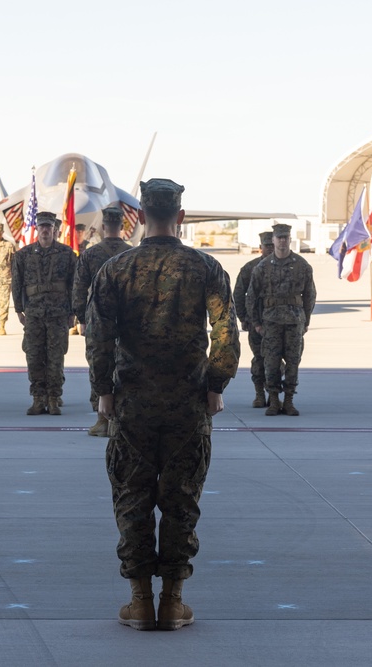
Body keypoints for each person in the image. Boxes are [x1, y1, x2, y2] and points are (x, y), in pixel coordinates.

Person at [86, 178, 240, 631]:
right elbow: (226, 332)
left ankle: (140, 602)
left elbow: (98, 338)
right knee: (181, 500)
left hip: (131, 405)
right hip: (187, 406)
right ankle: (172, 602)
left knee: (132, 499)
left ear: (138, 217)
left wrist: (104, 392)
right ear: (181, 216)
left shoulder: (115, 269)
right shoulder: (205, 267)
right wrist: (216, 385)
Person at [244, 223, 316, 416]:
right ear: (273, 240)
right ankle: (274, 401)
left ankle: (289, 401)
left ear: (290, 240)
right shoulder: (262, 267)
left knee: (293, 362)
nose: (282, 241)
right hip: (271, 323)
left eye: (285, 237)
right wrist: (256, 323)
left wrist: (306, 321)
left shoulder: (302, 265)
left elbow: (310, 295)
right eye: (279, 238)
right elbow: (251, 296)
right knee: (271, 363)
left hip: (294, 322)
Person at [72, 206, 131, 437]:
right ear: (122, 226)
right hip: (127, 321)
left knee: (99, 365)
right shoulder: (132, 253)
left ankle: (102, 419)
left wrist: (81, 317)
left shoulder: (90, 254)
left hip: (97, 321)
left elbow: (79, 288)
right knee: (125, 367)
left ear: (103, 226)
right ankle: (121, 419)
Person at [12, 211, 77, 416]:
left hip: (58, 314)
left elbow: (74, 285)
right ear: (37, 229)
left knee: (56, 357)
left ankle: (54, 398)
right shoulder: (23, 255)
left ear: (54, 229)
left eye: (49, 226)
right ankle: (38, 398)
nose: (45, 230)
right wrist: (18, 310)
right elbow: (17, 284)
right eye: (42, 226)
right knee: (34, 356)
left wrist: (73, 312)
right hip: (33, 314)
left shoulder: (67, 254)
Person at [232, 231, 275, 408]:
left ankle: (273, 394)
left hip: (278, 322)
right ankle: (259, 394)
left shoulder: (286, 267)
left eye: (272, 245)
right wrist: (243, 317)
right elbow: (239, 294)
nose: (270, 249)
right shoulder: (250, 268)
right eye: (267, 246)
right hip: (256, 321)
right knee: (259, 358)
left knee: (276, 359)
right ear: (260, 247)